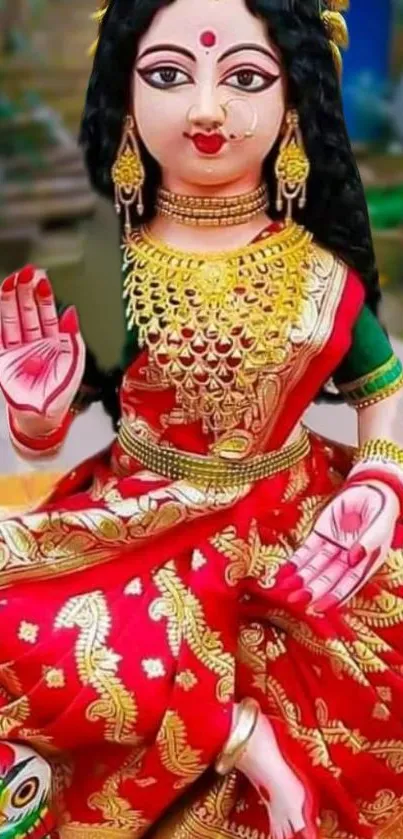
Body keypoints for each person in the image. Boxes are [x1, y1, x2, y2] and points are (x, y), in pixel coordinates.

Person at [0, 1, 403, 838]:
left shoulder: (321, 272)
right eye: (169, 75)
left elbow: (379, 389)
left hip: (293, 524)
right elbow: (69, 405)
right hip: (142, 518)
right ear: (126, 97)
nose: (206, 108)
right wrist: (37, 422)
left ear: (293, 104)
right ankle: (231, 731)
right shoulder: (108, 263)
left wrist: (380, 477)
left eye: (244, 78)